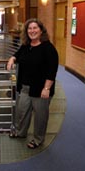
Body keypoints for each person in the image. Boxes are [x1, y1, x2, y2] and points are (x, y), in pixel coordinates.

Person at [7, 18, 58, 149]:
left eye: (35, 28)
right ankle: (20, 132)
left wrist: (47, 88)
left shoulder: (48, 48)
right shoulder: (26, 45)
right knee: (22, 112)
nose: (32, 31)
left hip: (41, 89)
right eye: (29, 28)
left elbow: (52, 71)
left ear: (41, 31)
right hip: (24, 87)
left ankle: (38, 139)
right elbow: (17, 55)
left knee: (40, 117)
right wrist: (12, 59)